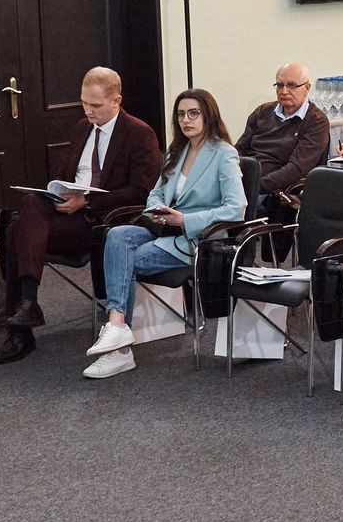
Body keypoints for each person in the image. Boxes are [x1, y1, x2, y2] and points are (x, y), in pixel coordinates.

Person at [0, 67, 163, 364]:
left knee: (17, 230)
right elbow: (64, 175)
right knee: (29, 206)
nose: (88, 111)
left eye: (95, 105)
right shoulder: (81, 128)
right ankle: (28, 305)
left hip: (101, 221)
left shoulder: (139, 134)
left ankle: (20, 328)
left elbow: (141, 192)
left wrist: (86, 202)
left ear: (116, 100)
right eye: (84, 103)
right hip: (69, 214)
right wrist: (59, 192)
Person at [82, 89, 247, 379]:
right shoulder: (178, 151)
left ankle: (118, 346)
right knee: (117, 235)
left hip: (197, 239)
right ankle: (118, 329)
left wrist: (185, 219)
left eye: (193, 113)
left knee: (125, 259)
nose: (186, 119)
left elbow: (237, 208)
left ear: (208, 115)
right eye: (181, 114)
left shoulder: (223, 153)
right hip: (164, 230)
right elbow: (157, 190)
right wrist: (156, 207)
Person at [234, 63, 330, 231]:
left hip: (272, 186)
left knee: (229, 210)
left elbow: (296, 168)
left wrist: (256, 185)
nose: (284, 91)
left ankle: (235, 253)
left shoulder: (316, 121)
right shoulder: (262, 112)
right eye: (279, 85)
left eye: (291, 85)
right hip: (244, 177)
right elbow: (240, 149)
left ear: (306, 88)